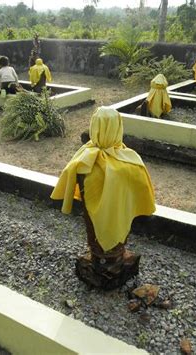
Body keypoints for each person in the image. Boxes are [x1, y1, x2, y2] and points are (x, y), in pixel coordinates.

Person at [51, 107, 155, 289]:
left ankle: (101, 254)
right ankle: (113, 253)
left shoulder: (84, 159)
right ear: (118, 127)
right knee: (115, 220)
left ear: (95, 126)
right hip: (120, 223)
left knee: (93, 222)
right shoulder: (130, 161)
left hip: (93, 231)